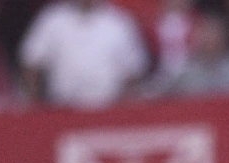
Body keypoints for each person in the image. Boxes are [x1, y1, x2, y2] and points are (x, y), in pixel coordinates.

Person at [20, 0, 149, 108]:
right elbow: (31, 63)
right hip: (62, 108)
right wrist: (35, 106)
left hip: (109, 108)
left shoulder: (119, 22)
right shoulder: (52, 19)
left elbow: (134, 71)